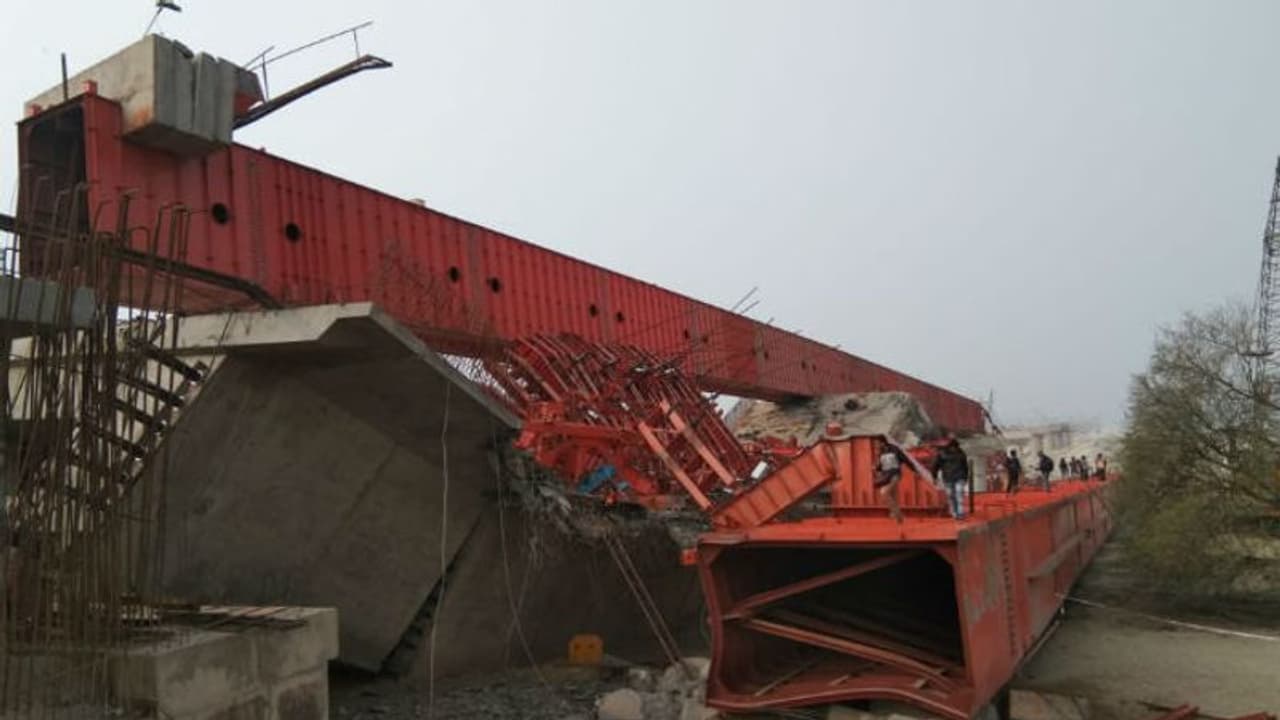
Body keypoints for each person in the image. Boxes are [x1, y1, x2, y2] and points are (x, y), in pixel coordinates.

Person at [931, 437, 969, 520]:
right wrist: (934, 477)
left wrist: (965, 477)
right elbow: (935, 466)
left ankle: (960, 513)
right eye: (953, 447)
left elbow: (965, 466)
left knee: (959, 494)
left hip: (959, 477)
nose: (954, 448)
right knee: (951, 496)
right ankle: (954, 513)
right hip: (948, 478)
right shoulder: (942, 454)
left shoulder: (961, 454)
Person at [875, 440, 906, 523]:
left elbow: (903, 459)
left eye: (878, 444)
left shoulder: (894, 450)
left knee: (884, 492)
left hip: (894, 475)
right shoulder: (881, 454)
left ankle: (898, 514)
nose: (877, 446)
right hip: (887, 476)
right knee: (893, 494)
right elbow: (880, 467)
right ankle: (895, 515)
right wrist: (876, 467)